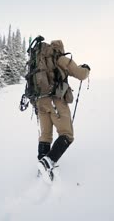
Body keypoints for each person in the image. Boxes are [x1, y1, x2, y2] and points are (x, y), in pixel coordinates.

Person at [36, 40, 90, 181]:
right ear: (60, 49)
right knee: (67, 134)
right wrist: (87, 68)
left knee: (45, 136)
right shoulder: (61, 59)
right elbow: (81, 74)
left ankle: (42, 168)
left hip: (40, 102)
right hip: (55, 101)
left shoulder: (39, 62)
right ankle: (47, 163)